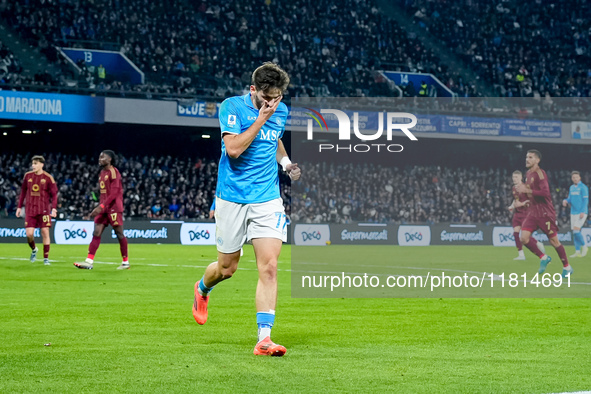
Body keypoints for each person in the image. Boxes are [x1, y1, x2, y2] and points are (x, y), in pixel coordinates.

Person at [192, 62, 301, 356]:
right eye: (267, 98)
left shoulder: (280, 110)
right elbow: (234, 149)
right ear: (253, 90)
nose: (273, 103)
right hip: (232, 197)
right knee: (227, 268)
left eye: (277, 98)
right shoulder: (232, 107)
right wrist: (261, 118)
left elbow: (274, 138)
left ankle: (264, 338)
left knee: (270, 266)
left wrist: (286, 163)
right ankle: (202, 288)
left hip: (267, 198)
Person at [516, 150, 573, 278]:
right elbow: (531, 192)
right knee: (523, 238)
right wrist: (525, 199)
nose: (527, 159)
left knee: (554, 241)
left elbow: (545, 193)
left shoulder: (540, 174)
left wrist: (526, 189)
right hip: (532, 212)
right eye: (526, 157)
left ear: (537, 160)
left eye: (530, 157)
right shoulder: (528, 173)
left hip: (545, 213)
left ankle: (567, 267)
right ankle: (543, 257)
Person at [74, 150, 129, 270]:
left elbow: (114, 193)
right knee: (96, 232)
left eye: (102, 157)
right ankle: (89, 261)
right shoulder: (102, 173)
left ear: (110, 159)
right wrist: (101, 206)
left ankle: (125, 262)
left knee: (119, 233)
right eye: (99, 157)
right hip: (103, 208)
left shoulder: (114, 172)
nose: (100, 159)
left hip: (113, 207)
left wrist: (101, 206)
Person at [15, 155, 58, 265]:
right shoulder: (27, 176)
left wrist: (54, 209)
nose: (33, 166)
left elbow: (54, 195)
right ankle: (34, 249)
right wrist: (19, 207)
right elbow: (23, 192)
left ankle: (46, 258)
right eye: (33, 163)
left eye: (35, 163)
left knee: (45, 232)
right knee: (29, 234)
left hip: (43, 209)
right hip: (30, 210)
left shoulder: (48, 178)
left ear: (41, 165)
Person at [508, 170, 545, 260]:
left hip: (526, 214)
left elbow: (531, 200)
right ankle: (521, 255)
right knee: (516, 234)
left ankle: (537, 243)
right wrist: (512, 206)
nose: (514, 179)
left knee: (524, 237)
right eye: (513, 177)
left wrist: (522, 204)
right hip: (517, 214)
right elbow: (516, 200)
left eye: (516, 177)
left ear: (521, 178)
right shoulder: (514, 188)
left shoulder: (525, 187)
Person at [562, 171, 588, 257]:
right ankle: (577, 252)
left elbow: (585, 201)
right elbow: (570, 198)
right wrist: (565, 200)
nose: (575, 179)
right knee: (575, 232)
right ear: (572, 179)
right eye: (573, 177)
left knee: (576, 230)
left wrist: (583, 211)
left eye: (576, 177)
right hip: (573, 212)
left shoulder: (583, 187)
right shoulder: (571, 187)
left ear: (580, 178)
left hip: (581, 212)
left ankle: (584, 246)